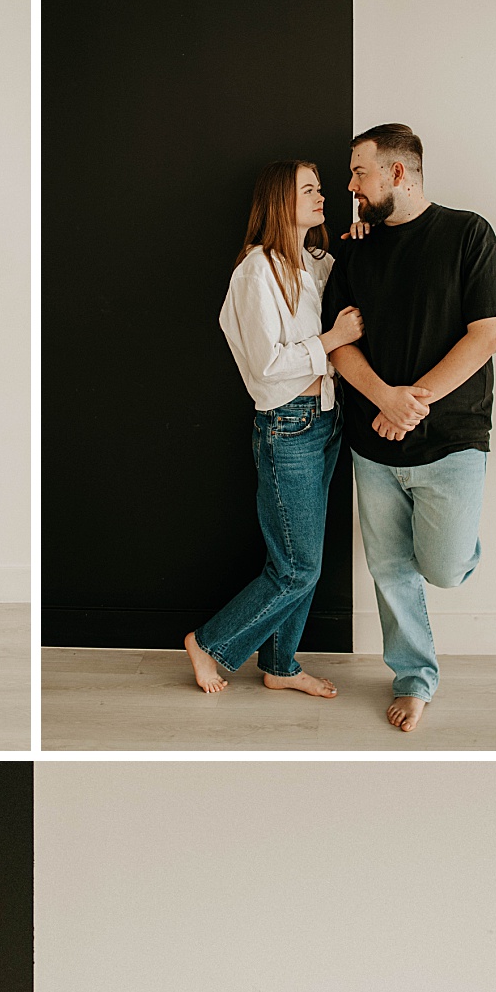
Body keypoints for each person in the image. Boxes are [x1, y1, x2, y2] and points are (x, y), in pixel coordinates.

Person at [321, 124, 496, 732]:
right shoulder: (355, 249)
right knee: (389, 571)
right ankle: (415, 677)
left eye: (360, 172)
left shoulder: (468, 233)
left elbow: (486, 333)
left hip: (452, 442)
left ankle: (457, 550)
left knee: (442, 568)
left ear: (397, 173)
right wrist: (384, 397)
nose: (351, 185)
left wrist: (414, 402)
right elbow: (335, 345)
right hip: (371, 442)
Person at [185, 161, 363, 701]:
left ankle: (281, 664)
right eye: (308, 189)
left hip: (326, 419)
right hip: (288, 426)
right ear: (280, 201)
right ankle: (210, 643)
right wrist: (332, 340)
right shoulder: (256, 271)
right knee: (297, 567)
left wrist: (356, 246)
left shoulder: (314, 264)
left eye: (320, 188)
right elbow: (266, 365)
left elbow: (347, 280)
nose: (322, 196)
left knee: (302, 562)